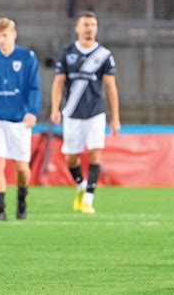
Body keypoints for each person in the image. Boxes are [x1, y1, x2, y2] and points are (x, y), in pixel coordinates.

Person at [50, 11, 120, 214]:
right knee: (71, 158)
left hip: (95, 113)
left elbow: (111, 88)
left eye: (93, 25)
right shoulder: (67, 53)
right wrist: (55, 108)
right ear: (77, 28)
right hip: (72, 113)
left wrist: (115, 117)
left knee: (95, 152)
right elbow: (58, 83)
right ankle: (81, 187)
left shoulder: (104, 55)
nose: (90, 28)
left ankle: (89, 198)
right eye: (86, 24)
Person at [0, 17, 42, 221]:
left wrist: (32, 111)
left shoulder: (27, 57)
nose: (1, 40)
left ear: (14, 34)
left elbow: (34, 86)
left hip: (19, 119)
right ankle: (0, 210)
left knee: (21, 167)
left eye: (5, 35)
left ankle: (22, 200)